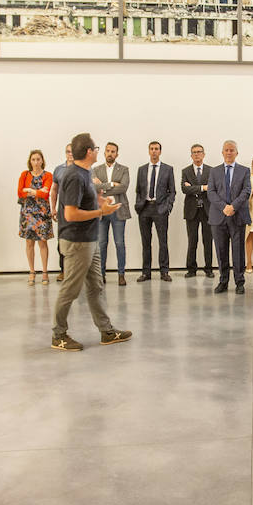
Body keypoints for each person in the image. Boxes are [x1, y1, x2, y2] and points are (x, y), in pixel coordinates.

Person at [51, 133, 133, 352]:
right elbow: (69, 214)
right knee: (70, 289)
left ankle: (106, 331)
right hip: (76, 242)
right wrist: (100, 211)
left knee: (96, 286)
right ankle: (59, 335)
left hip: (90, 240)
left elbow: (90, 197)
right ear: (89, 151)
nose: (99, 151)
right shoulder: (73, 176)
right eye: (96, 148)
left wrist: (102, 200)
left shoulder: (86, 173)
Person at [208, 140, 251, 294]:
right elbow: (211, 192)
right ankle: (223, 281)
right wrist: (224, 207)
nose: (228, 152)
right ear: (222, 152)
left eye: (232, 150)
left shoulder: (245, 171)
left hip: (237, 215)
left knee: (238, 251)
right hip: (218, 217)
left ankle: (240, 282)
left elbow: (246, 191)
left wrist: (233, 206)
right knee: (221, 250)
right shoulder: (214, 171)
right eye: (226, 150)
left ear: (236, 153)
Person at [134, 140, 175, 282]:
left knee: (163, 241)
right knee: (146, 242)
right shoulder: (142, 169)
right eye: (151, 149)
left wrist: (167, 207)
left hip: (160, 209)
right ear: (148, 151)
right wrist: (138, 205)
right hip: (144, 208)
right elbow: (138, 190)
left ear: (160, 151)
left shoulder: (168, 169)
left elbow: (172, 191)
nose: (154, 151)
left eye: (156, 149)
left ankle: (164, 271)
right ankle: (146, 272)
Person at [92, 142, 130, 286]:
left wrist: (103, 186)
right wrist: (112, 184)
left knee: (119, 243)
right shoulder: (96, 169)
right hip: (101, 211)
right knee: (101, 244)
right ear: (104, 153)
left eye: (113, 151)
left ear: (117, 154)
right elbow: (94, 188)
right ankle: (101, 275)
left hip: (118, 210)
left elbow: (124, 188)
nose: (110, 153)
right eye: (108, 151)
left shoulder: (124, 169)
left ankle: (121, 274)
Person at [17, 149, 54, 284]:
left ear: (42, 161)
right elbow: (20, 193)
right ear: (30, 161)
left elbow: (46, 193)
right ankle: (32, 271)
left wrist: (30, 191)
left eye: (38, 159)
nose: (36, 162)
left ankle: (45, 272)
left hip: (42, 213)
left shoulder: (48, 175)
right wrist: (37, 191)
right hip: (27, 213)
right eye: (33, 159)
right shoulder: (24, 174)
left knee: (43, 242)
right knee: (29, 243)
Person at [181, 143, 214, 279]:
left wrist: (193, 187)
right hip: (191, 211)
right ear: (191, 155)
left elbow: (212, 188)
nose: (197, 154)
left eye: (199, 152)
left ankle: (209, 269)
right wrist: (202, 188)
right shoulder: (186, 171)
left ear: (204, 154)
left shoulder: (211, 170)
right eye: (194, 152)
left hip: (207, 210)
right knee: (192, 241)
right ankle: (191, 269)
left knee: (208, 241)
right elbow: (184, 189)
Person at [50, 143, 73, 281]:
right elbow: (54, 190)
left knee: (79, 243)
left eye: (72, 152)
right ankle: (63, 270)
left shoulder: (84, 169)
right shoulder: (59, 170)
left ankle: (78, 272)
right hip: (63, 212)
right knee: (62, 242)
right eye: (68, 152)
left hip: (78, 212)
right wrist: (53, 208)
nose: (70, 154)